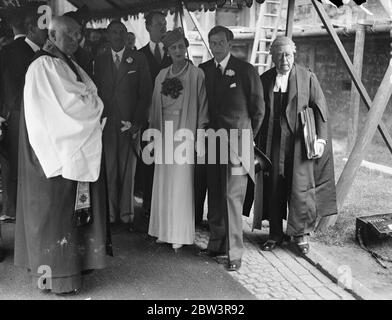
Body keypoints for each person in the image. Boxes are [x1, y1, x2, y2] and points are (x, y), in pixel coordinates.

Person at [14, 16, 108, 295]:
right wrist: (91, 104)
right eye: (71, 35)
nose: (77, 40)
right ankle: (56, 280)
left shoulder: (68, 62)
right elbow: (72, 109)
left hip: (69, 146)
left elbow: (89, 96)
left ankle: (71, 271)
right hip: (53, 155)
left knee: (67, 216)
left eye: (79, 35)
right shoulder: (44, 65)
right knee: (53, 217)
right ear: (52, 34)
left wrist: (90, 102)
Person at [254, 36, 337, 255]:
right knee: (273, 186)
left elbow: (320, 109)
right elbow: (257, 111)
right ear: (272, 56)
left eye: (288, 54)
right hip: (272, 141)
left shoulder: (307, 77)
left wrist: (320, 139)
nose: (284, 60)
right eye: (279, 54)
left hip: (299, 143)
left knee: (299, 187)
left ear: (294, 55)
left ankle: (299, 235)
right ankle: (274, 233)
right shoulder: (265, 79)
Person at [198, 26, 264, 271]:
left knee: (232, 197)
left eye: (220, 42)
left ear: (230, 43)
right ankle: (216, 243)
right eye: (212, 42)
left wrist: (247, 139)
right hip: (213, 142)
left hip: (238, 144)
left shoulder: (246, 71)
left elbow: (258, 111)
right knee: (215, 193)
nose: (216, 47)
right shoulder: (204, 71)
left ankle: (235, 253)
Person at [148, 28, 209, 251]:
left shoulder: (196, 74)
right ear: (167, 51)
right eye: (173, 48)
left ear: (186, 48)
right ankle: (163, 230)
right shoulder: (161, 75)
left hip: (185, 132)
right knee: (163, 182)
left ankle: (179, 233)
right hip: (164, 132)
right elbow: (154, 107)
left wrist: (200, 136)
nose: (177, 50)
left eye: (181, 46)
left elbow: (202, 106)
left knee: (181, 184)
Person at [94, 20, 152, 226]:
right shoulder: (99, 60)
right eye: (114, 32)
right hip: (107, 124)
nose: (118, 36)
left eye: (121, 32)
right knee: (109, 170)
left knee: (128, 171)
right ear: (108, 35)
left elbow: (145, 94)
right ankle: (110, 214)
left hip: (130, 124)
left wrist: (137, 123)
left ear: (127, 35)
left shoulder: (138, 58)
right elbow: (96, 93)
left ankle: (126, 215)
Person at [0, 2, 47, 224]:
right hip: (18, 115)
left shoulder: (44, 54)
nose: (47, 32)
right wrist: (4, 113)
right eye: (44, 27)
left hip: (36, 116)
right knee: (18, 162)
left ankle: (27, 206)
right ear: (31, 29)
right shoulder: (10, 51)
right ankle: (15, 209)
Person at [137, 11, 172, 221]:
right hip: (149, 119)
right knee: (148, 163)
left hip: (171, 119)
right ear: (148, 27)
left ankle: (166, 206)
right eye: (158, 24)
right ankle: (148, 206)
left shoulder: (175, 53)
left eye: (164, 24)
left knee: (168, 161)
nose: (163, 27)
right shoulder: (139, 55)